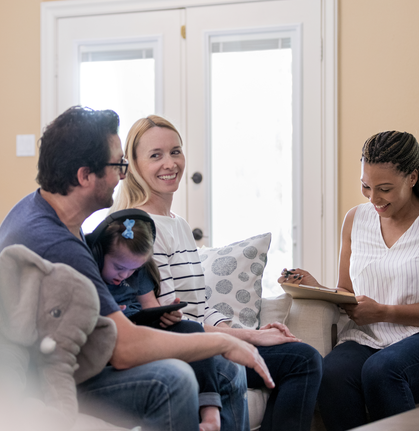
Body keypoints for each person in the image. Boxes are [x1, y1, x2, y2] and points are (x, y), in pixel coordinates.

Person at [0, 106, 275, 431]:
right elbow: (124, 350)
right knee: (173, 379)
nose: (123, 175)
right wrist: (224, 342)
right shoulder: (57, 245)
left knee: (226, 369)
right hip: (58, 375)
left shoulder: (42, 210)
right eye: (118, 165)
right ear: (84, 175)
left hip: (79, 355)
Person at [112, 114, 324, 431]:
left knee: (304, 357)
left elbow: (198, 303)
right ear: (135, 166)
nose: (170, 163)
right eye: (155, 155)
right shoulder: (141, 229)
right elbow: (172, 322)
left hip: (203, 337)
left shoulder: (179, 224)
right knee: (300, 360)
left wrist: (233, 327)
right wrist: (249, 336)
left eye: (175, 151)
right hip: (184, 348)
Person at [287, 130, 419, 430]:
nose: (374, 198)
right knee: (330, 372)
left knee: (381, 370)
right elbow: (347, 291)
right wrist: (316, 287)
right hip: (368, 337)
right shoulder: (355, 220)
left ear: (412, 178)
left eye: (384, 188)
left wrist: (385, 312)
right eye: (365, 186)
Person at [85, 209, 236, 431]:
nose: (124, 275)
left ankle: (210, 411)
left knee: (193, 330)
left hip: (141, 326)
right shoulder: (89, 270)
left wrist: (166, 315)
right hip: (112, 334)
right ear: (100, 253)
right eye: (119, 267)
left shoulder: (137, 271)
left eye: (133, 270)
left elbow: (149, 307)